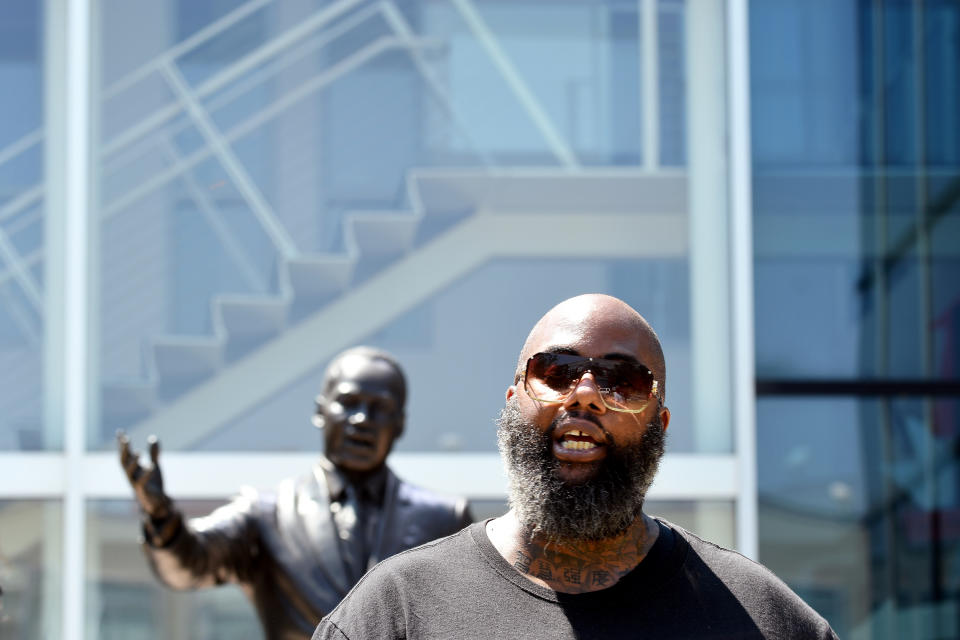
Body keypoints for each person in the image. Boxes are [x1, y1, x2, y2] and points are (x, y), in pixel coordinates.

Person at [313, 294, 839, 640]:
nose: (585, 395)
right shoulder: (396, 610)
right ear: (514, 399)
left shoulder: (766, 620)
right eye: (557, 371)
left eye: (623, 381)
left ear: (661, 424)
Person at [118, 346, 472, 640]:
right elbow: (190, 565)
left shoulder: (445, 520)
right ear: (320, 411)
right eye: (348, 403)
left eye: (379, 409)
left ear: (400, 425)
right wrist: (160, 515)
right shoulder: (268, 513)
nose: (362, 419)